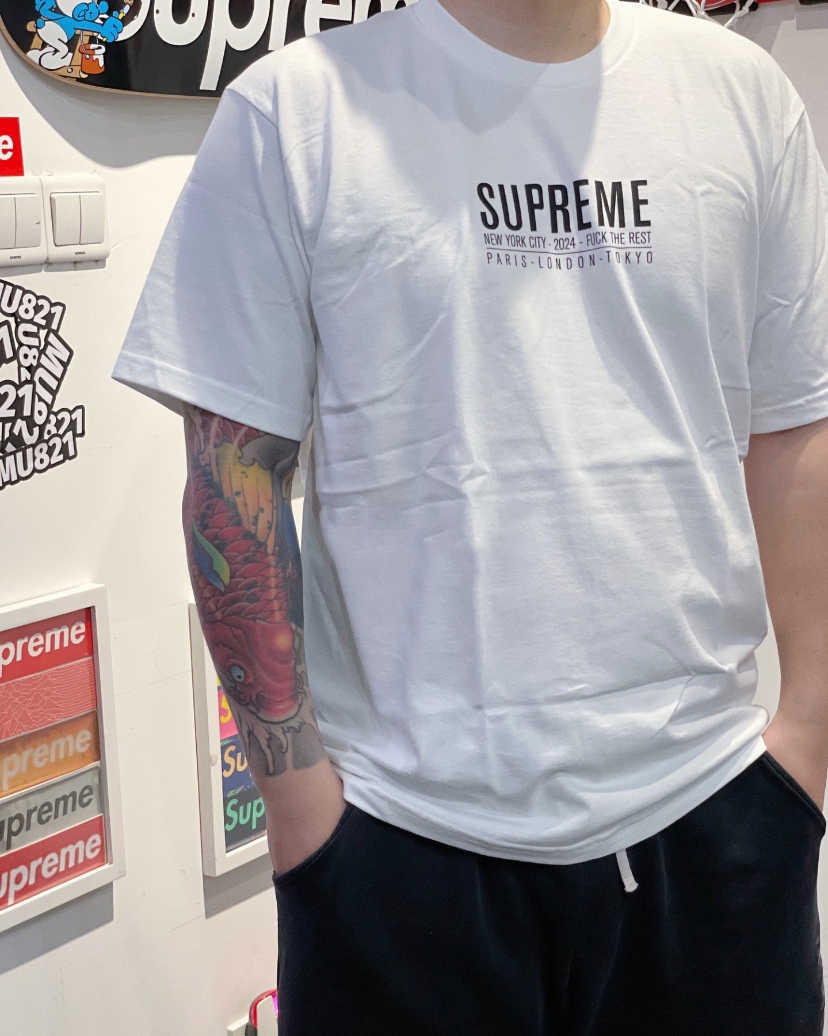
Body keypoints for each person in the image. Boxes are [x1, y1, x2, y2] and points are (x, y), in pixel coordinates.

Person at [112, 0, 828, 1032]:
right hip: (398, 843)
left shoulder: (741, 95)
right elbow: (234, 475)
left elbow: (799, 430)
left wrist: (807, 740)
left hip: (712, 815)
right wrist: (301, 811)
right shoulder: (295, 112)